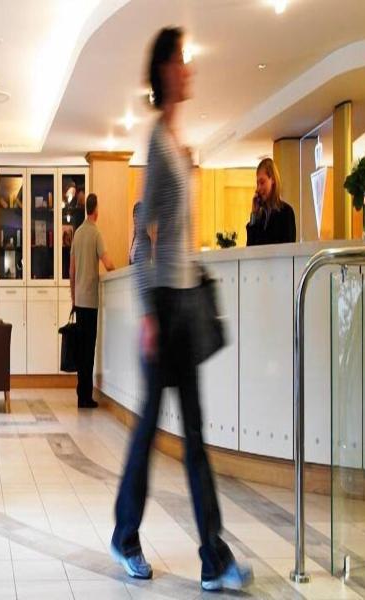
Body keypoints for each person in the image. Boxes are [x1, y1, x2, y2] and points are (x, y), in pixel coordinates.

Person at [110, 27, 253, 592]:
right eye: (182, 60)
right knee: (151, 431)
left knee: (191, 434)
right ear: (165, 71)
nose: (189, 69)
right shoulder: (158, 143)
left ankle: (212, 558)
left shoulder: (176, 143)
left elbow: (175, 238)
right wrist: (149, 312)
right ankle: (126, 537)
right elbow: (142, 239)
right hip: (166, 310)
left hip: (184, 306)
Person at [69, 193, 115, 409]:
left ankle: (81, 394)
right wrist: (115, 270)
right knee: (89, 349)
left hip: (79, 300)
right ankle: (86, 397)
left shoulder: (77, 234)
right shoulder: (96, 233)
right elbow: (108, 263)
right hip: (91, 301)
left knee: (81, 350)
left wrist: (73, 297)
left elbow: (71, 270)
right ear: (96, 210)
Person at [246, 157, 296, 246]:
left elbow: (289, 248)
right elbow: (250, 248)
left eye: (262, 182)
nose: (258, 188)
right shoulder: (259, 216)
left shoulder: (286, 212)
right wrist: (254, 214)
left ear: (272, 180)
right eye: (257, 183)